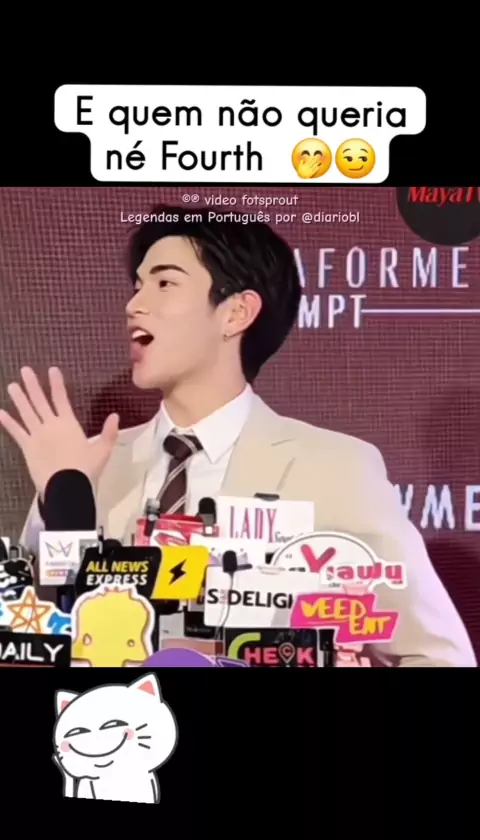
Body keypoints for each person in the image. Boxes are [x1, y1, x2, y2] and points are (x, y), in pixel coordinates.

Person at [0, 204, 475, 668]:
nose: (134, 305)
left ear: (236, 313)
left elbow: (438, 655)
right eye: (137, 285)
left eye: (164, 283)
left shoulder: (336, 468)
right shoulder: (92, 465)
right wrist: (61, 498)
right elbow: (28, 636)